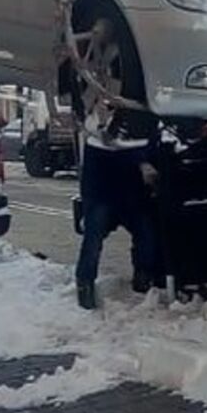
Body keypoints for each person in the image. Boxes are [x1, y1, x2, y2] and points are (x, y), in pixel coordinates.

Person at [74, 103, 160, 311]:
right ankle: (139, 279)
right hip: (117, 196)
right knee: (141, 235)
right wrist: (143, 163)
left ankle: (87, 285)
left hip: (113, 196)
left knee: (96, 239)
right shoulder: (113, 134)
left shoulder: (100, 133)